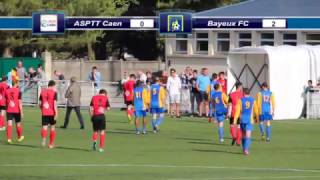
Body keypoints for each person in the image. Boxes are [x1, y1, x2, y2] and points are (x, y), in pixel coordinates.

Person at [234, 88, 259, 155]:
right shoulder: (253, 100)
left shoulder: (240, 100)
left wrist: (235, 120)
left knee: (244, 136)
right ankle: (246, 149)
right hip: (249, 120)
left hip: (242, 119)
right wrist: (257, 118)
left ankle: (244, 149)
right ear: (249, 93)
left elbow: (237, 111)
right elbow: (256, 110)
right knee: (248, 136)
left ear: (243, 93)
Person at [39, 80, 58, 148]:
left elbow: (40, 104)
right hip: (52, 112)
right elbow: (55, 104)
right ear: (52, 85)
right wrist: (56, 113)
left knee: (44, 127)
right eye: (55, 86)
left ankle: (44, 140)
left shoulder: (42, 92)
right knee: (52, 128)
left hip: (44, 112)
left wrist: (42, 109)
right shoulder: (54, 93)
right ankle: (51, 144)